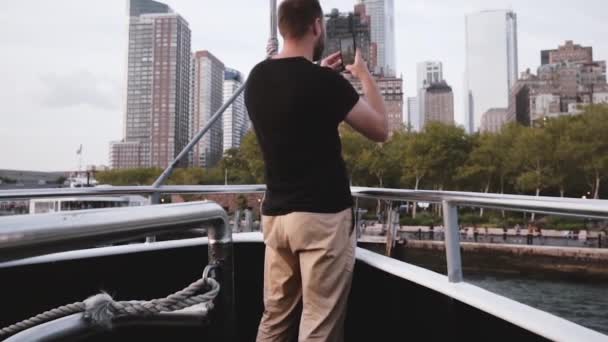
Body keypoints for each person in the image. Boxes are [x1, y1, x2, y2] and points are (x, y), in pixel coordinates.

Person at [245, 0, 388, 341]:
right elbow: (381, 129)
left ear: (281, 28)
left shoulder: (256, 78)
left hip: (276, 220)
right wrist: (364, 75)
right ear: (317, 26)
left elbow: (291, 100)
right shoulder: (326, 83)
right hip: (321, 219)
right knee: (318, 327)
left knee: (274, 319)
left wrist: (318, 75)